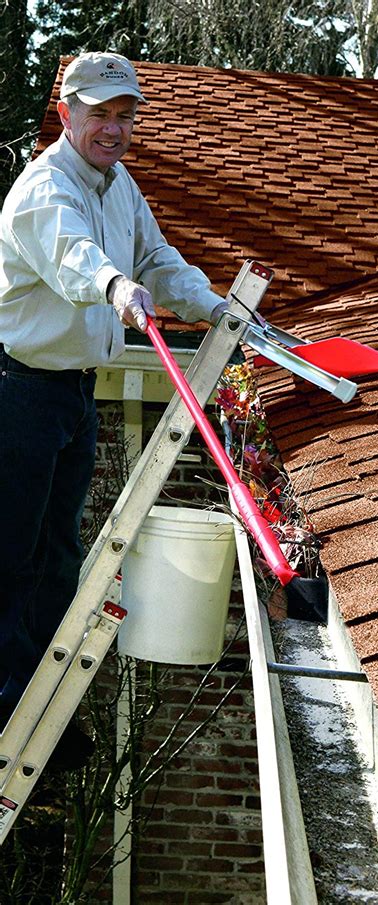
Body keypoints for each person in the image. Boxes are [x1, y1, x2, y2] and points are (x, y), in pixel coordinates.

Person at [0, 51, 226, 768]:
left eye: (125, 115)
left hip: (71, 394)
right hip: (17, 391)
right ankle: (2, 710)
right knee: (10, 553)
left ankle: (33, 706)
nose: (113, 128)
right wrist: (114, 286)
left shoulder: (118, 185)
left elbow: (157, 260)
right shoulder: (45, 188)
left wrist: (216, 309)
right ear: (66, 114)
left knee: (59, 555)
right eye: (99, 114)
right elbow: (73, 257)